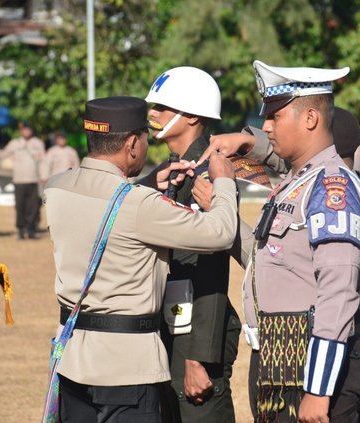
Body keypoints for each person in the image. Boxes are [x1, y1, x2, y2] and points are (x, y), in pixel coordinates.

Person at [44, 96, 239, 422]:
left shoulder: (57, 188)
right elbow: (219, 233)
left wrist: (147, 182)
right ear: (133, 144)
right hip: (126, 369)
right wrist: (223, 181)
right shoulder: (141, 205)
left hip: (73, 360)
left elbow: (104, 203)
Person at [203, 60, 360, 422]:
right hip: (280, 362)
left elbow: (339, 291)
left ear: (310, 119)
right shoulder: (298, 182)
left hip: (308, 371)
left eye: (275, 116)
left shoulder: (329, 187)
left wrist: (318, 391)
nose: (266, 126)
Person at [144, 66, 241, 423]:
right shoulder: (167, 171)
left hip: (195, 334)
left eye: (162, 108)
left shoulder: (209, 174)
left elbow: (212, 271)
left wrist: (198, 356)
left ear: (192, 116)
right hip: (165, 326)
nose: (152, 114)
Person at [0, 121, 45, 239]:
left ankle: (31, 230)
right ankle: (20, 230)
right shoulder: (15, 143)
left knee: (33, 206)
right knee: (20, 206)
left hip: (33, 179)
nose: (26, 132)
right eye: (24, 129)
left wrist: (44, 177)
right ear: (21, 131)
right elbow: (3, 154)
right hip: (19, 180)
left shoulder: (38, 143)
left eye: (28, 129)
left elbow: (43, 161)